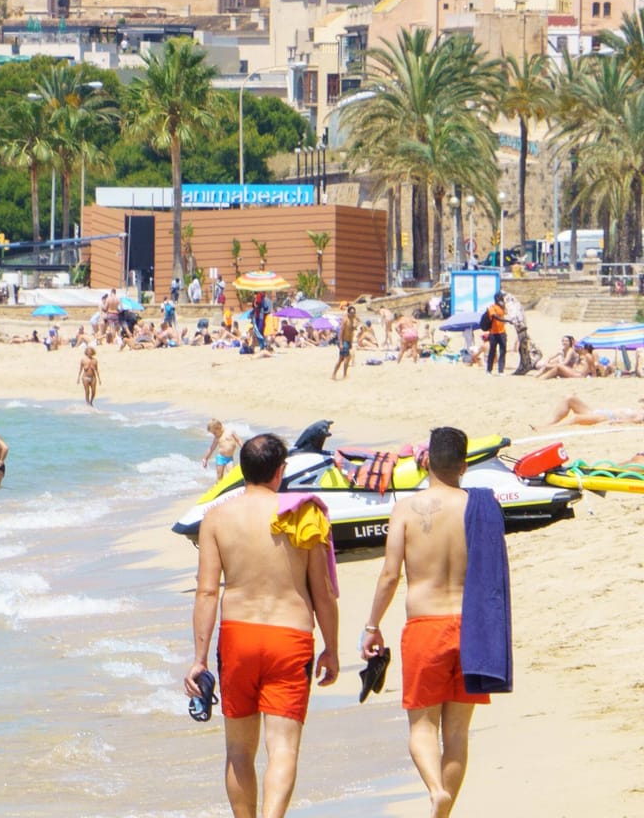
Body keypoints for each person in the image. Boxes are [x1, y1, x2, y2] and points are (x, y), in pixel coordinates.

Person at [184, 434, 340, 818]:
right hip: (291, 637)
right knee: (283, 748)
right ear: (280, 471)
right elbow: (322, 592)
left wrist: (199, 658)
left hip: (238, 637)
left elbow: (206, 593)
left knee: (239, 750)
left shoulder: (216, 517)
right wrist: (332, 649)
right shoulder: (304, 513)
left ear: (241, 470)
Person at [361, 427, 489, 817]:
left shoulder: (405, 509)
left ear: (427, 461)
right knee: (457, 732)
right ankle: (443, 812)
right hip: (470, 628)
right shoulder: (478, 508)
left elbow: (389, 575)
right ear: (464, 466)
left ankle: (436, 791)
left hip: (425, 627)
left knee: (421, 726)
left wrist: (372, 626)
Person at [535, 394, 644, 427]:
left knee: (576, 418)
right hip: (597, 412)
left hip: (606, 417)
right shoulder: (640, 408)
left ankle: (550, 428)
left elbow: (637, 421)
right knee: (570, 398)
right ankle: (551, 423)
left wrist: (617, 422)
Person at [482, 294, 508, 376]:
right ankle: (489, 370)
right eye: (501, 298)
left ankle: (501, 371)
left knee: (503, 351)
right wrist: (506, 320)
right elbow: (495, 317)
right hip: (493, 333)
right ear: (497, 299)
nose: (503, 299)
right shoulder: (491, 308)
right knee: (492, 352)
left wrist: (504, 305)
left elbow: (506, 313)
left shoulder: (502, 307)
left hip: (502, 332)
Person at [332, 304, 356, 382]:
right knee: (345, 358)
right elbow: (341, 332)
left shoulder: (352, 320)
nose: (353, 314)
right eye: (351, 312)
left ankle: (335, 374)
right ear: (348, 313)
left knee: (343, 359)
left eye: (354, 312)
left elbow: (351, 333)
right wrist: (341, 343)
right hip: (344, 341)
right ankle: (342, 374)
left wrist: (351, 343)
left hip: (348, 342)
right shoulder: (345, 320)